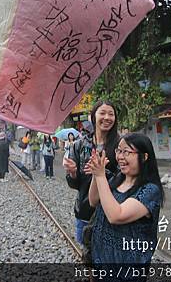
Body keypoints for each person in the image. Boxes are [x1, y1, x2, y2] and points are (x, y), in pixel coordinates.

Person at [88, 133, 164, 269]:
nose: (120, 157)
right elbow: (93, 201)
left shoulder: (150, 190)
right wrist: (96, 173)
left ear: (144, 157)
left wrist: (100, 176)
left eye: (127, 152)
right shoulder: (116, 180)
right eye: (119, 150)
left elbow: (116, 215)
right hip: (100, 261)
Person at [63, 101, 120, 245]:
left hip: (112, 212)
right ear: (92, 117)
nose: (107, 117)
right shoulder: (79, 145)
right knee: (87, 252)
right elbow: (75, 184)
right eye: (102, 113)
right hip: (85, 211)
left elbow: (127, 178)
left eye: (111, 114)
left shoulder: (121, 145)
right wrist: (73, 173)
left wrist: (100, 172)